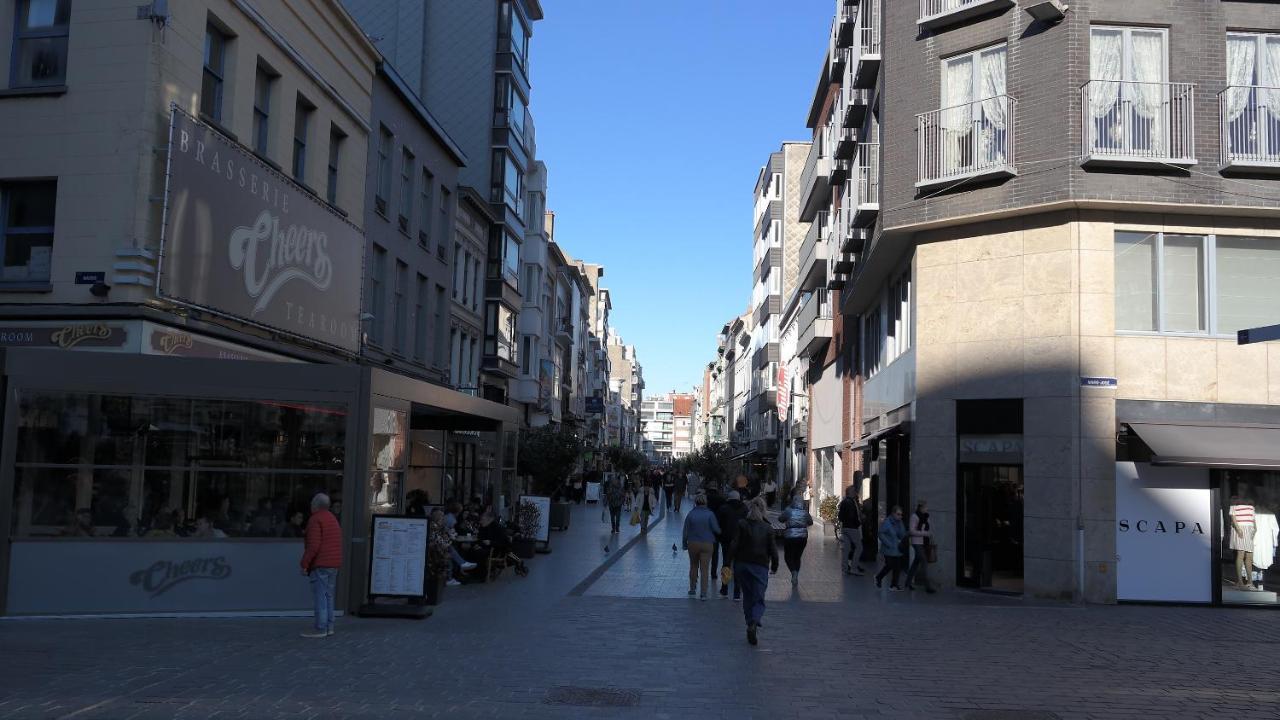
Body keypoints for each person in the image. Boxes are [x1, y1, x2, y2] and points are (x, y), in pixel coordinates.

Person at [731, 497, 778, 646]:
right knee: (758, 597)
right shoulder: (768, 528)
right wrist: (775, 565)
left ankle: (749, 622)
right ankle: (754, 621)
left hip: (742, 565)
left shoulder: (742, 524)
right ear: (764, 510)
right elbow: (773, 550)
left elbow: (734, 544)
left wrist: (727, 562)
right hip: (759, 566)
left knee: (747, 595)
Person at [299, 493, 342, 638]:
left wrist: (305, 564)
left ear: (316, 505)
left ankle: (320, 628)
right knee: (328, 596)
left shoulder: (315, 520)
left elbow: (313, 546)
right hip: (333, 564)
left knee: (320, 596)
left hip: (321, 564)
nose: (310, 506)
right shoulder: (332, 519)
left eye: (312, 503)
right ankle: (330, 626)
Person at [681, 494, 721, 600]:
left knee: (693, 566)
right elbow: (717, 530)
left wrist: (684, 544)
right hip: (707, 544)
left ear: (695, 502)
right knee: (704, 569)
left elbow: (685, 532)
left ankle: (692, 589)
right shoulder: (710, 514)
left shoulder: (690, 514)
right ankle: (703, 593)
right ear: (706, 502)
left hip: (693, 543)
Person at [716, 490, 748, 599]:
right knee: (738, 565)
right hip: (740, 541)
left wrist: (720, 538)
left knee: (726, 564)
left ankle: (724, 589)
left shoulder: (723, 508)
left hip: (726, 541)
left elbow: (718, 525)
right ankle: (737, 593)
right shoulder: (744, 508)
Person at [779, 491, 814, 586]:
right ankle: (796, 575)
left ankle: (793, 572)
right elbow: (810, 522)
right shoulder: (805, 512)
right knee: (797, 557)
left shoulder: (788, 511)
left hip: (790, 536)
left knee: (788, 556)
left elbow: (780, 519)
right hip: (802, 537)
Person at [875, 505, 909, 591]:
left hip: (897, 548)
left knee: (897, 567)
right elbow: (880, 533)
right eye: (898, 514)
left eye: (901, 514)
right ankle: (879, 577)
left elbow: (903, 534)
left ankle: (894, 585)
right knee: (889, 565)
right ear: (893, 513)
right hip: (888, 549)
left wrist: (902, 528)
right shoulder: (887, 522)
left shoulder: (900, 522)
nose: (900, 516)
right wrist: (888, 543)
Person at [907, 500, 936, 593]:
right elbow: (911, 531)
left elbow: (929, 528)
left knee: (916, 562)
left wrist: (929, 535)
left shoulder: (926, 517)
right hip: (916, 542)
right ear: (921, 507)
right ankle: (927, 586)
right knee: (923, 561)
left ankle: (907, 582)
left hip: (925, 542)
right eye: (925, 507)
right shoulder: (914, 517)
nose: (927, 509)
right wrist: (925, 533)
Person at [838, 485, 866, 576]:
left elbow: (840, 516)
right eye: (854, 491)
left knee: (846, 549)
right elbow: (852, 516)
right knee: (859, 547)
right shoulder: (851, 502)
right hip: (852, 528)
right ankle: (854, 568)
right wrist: (858, 523)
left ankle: (844, 568)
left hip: (845, 527)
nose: (855, 492)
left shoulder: (843, 502)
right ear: (850, 492)